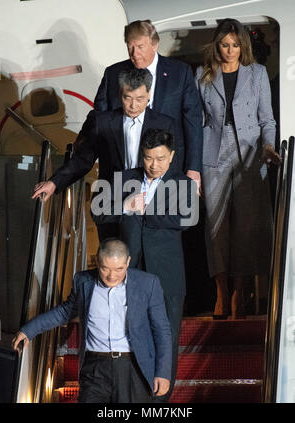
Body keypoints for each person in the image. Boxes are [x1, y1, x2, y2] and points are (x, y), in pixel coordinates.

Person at [93, 128, 198, 401]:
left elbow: (187, 219)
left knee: (166, 338)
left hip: (167, 276)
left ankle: (160, 403)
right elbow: (98, 211)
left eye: (161, 158)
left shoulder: (183, 183)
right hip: (130, 275)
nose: (154, 165)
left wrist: (148, 211)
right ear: (142, 155)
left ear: (172, 156)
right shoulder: (125, 178)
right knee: (130, 337)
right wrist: (126, 206)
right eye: (149, 158)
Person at [12, 239, 172, 403]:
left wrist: (163, 372)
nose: (112, 276)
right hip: (95, 367)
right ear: (97, 261)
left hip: (132, 366)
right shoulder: (83, 281)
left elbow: (162, 330)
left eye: (119, 269)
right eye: (105, 268)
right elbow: (65, 312)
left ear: (128, 262)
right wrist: (29, 330)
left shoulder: (148, 283)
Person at [195, 18, 281, 319]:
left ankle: (240, 292)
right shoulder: (203, 75)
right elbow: (199, 124)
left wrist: (269, 147)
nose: (229, 50)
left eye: (234, 45)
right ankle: (220, 292)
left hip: (249, 154)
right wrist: (194, 169)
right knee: (216, 227)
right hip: (213, 153)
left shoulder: (256, 74)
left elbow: (267, 120)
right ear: (217, 46)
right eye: (224, 45)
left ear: (242, 45)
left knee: (246, 225)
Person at [31, 68, 175, 241]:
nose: (133, 105)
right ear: (120, 93)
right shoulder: (102, 122)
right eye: (127, 98)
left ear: (149, 94)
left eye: (140, 99)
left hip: (152, 204)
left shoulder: (165, 124)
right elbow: (83, 160)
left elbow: (173, 168)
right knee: (111, 262)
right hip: (112, 202)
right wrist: (54, 182)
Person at [94, 19, 203, 193]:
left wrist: (193, 169)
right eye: (130, 47)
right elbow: (99, 118)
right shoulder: (113, 74)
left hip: (169, 169)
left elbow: (193, 122)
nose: (134, 53)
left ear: (155, 45)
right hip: (124, 173)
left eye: (140, 47)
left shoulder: (180, 73)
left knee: (166, 218)